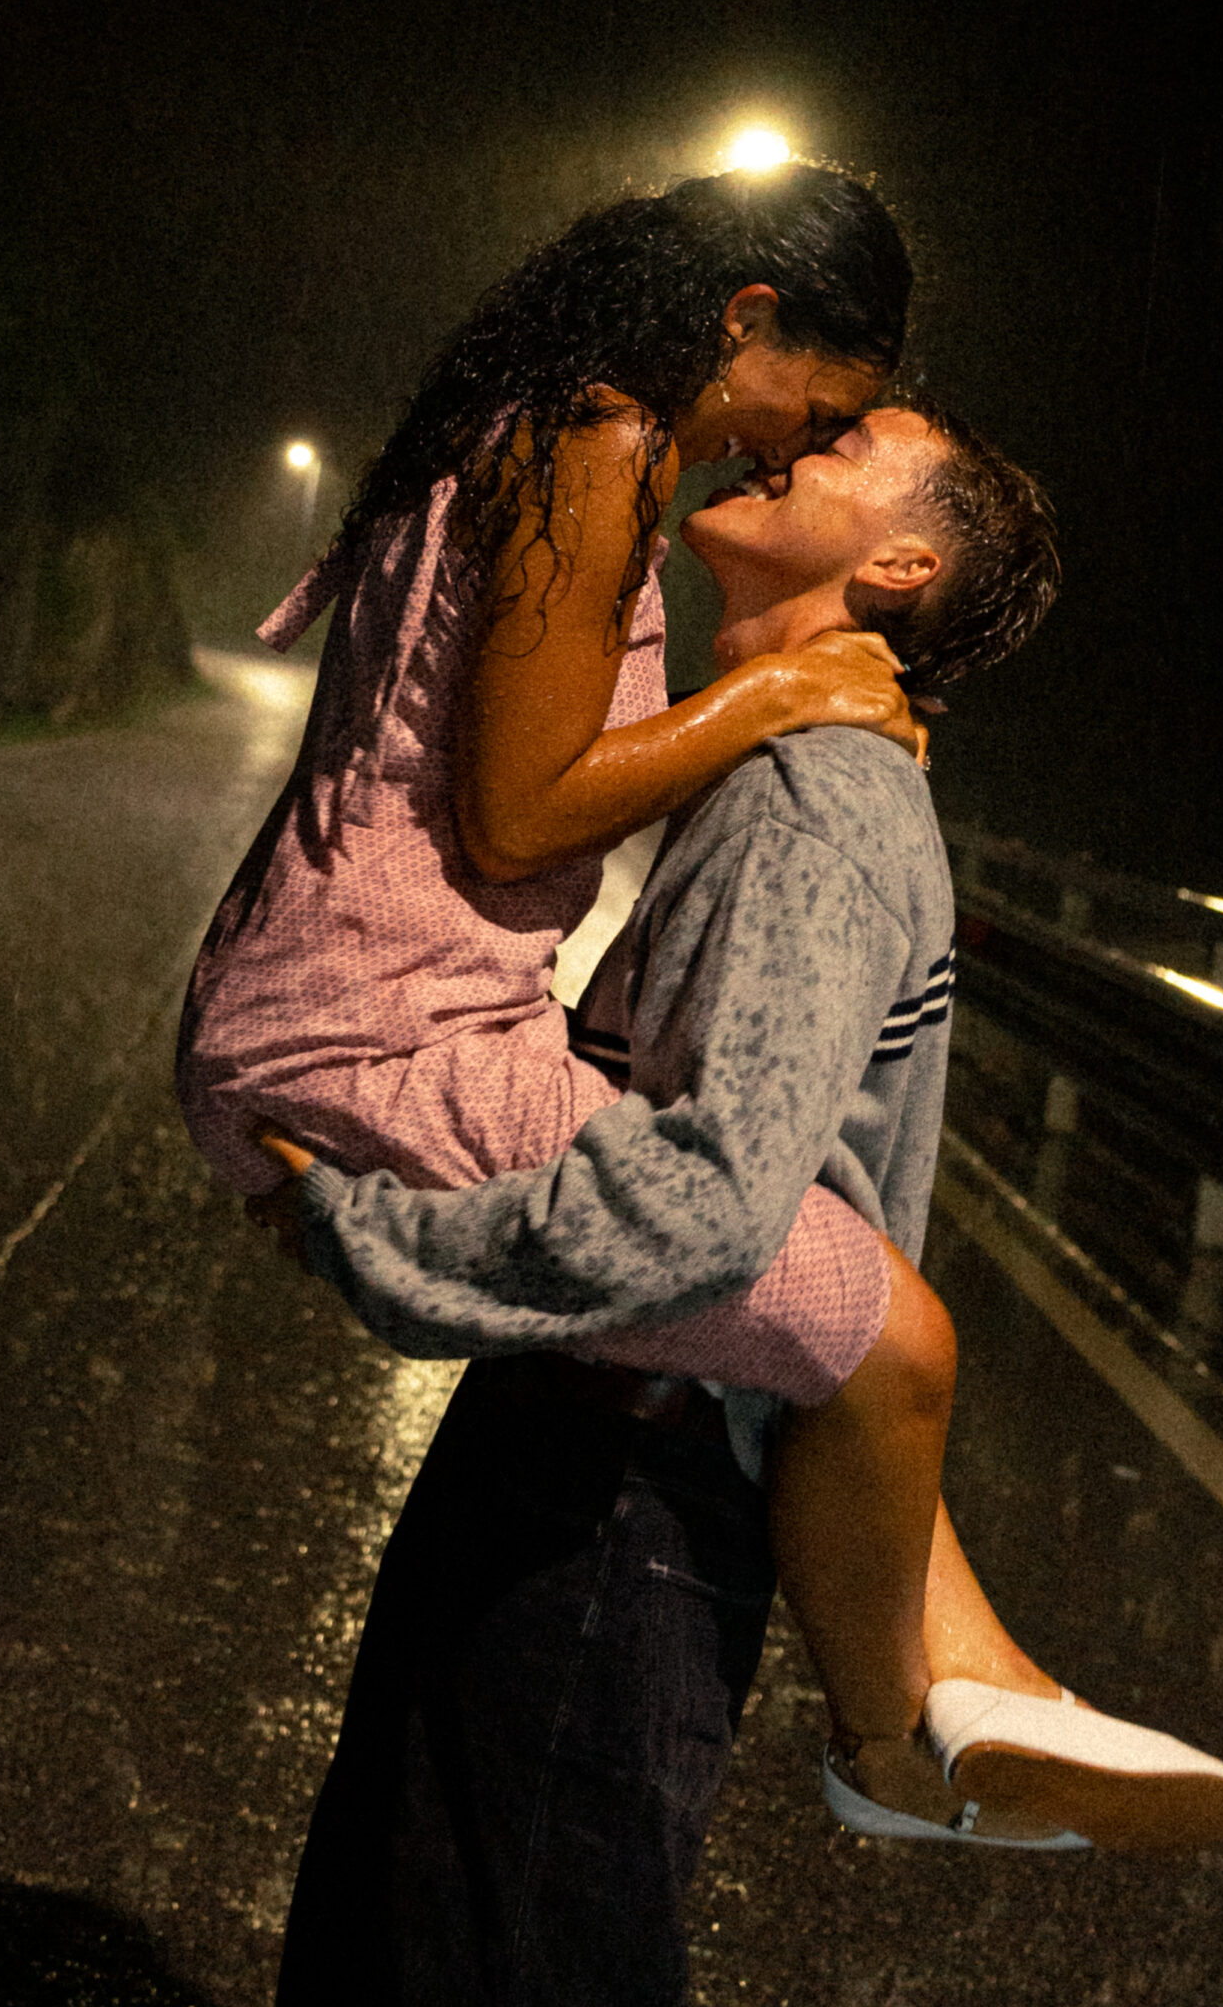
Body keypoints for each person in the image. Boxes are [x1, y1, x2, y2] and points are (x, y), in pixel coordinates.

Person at [256, 402, 1223, 2007]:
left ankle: (938, 1688)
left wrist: (376, 1238)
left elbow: (718, 1196)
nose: (802, 432)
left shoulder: (817, 798)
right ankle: (945, 1681)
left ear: (898, 569)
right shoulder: (775, 760)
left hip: (623, 1483)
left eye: (862, 442)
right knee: (418, 1978)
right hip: (614, 1441)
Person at [178, 167, 1108, 1832]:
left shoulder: (546, 416)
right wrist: (778, 698)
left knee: (840, 1303)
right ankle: (895, 1744)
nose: (777, 449)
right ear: (744, 321)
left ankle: (975, 1687)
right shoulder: (596, 442)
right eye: (804, 410)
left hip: (375, 1009)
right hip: (376, 1031)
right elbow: (523, 815)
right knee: (890, 1328)